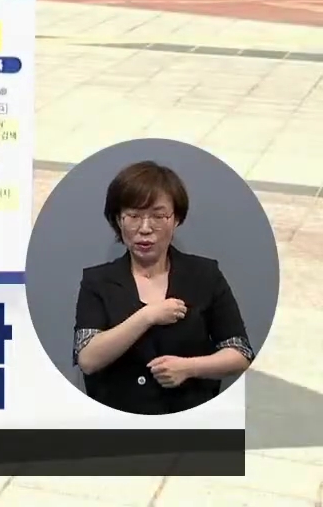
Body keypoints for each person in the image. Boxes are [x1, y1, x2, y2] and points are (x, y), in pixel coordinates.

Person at [73, 161, 253, 414]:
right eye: (133, 216)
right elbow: (88, 359)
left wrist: (189, 368)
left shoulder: (205, 275)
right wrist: (147, 316)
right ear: (118, 220)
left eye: (158, 216)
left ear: (176, 219)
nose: (145, 229)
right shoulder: (97, 281)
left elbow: (240, 352)